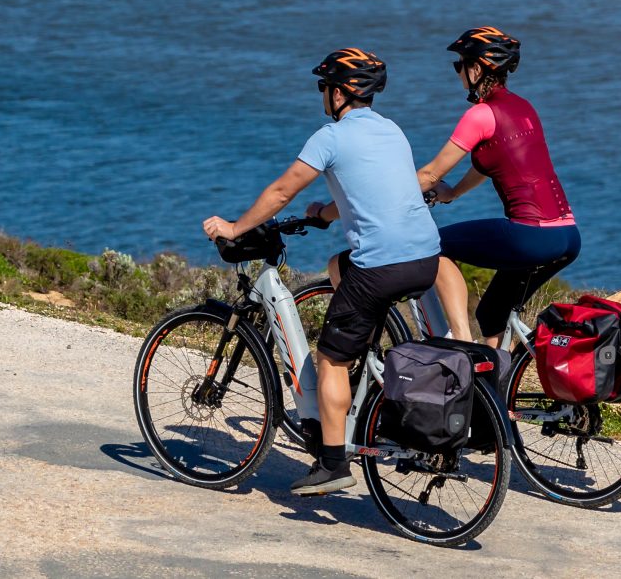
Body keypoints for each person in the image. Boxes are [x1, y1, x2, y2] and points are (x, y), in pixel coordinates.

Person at [205, 48, 442, 497]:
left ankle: (333, 463)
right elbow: (379, 190)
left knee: (331, 358)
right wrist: (329, 214)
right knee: (338, 266)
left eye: (324, 87)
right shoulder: (392, 131)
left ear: (340, 93)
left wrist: (234, 227)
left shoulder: (330, 137)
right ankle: (364, 359)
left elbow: (280, 192)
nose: (321, 95)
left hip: (382, 266)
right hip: (425, 258)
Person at [416, 27, 579, 349]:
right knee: (492, 315)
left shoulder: (480, 114)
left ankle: (461, 339)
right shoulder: (523, 107)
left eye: (459, 65)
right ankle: (496, 392)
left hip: (530, 234)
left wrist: (383, 198)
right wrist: (455, 192)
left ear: (476, 68)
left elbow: (431, 173)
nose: (458, 73)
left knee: (430, 244)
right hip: (567, 236)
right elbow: (492, 161)